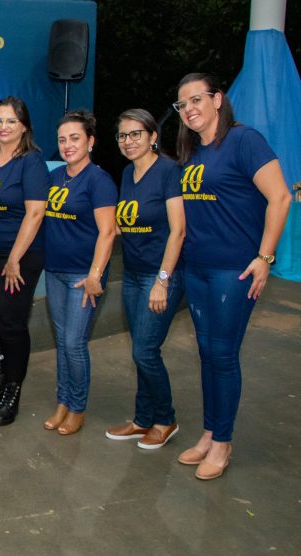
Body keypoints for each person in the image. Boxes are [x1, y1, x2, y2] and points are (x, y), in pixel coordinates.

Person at [173, 73, 290, 480]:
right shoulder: (192, 151)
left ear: (218, 99)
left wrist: (265, 257)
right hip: (198, 269)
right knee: (207, 355)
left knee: (222, 356)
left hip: (234, 271)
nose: (189, 108)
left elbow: (280, 196)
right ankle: (209, 433)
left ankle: (223, 443)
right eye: (182, 104)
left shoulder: (244, 140)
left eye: (197, 99)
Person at [104, 109, 185, 450]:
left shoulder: (168, 171)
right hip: (134, 275)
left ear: (153, 136)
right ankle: (142, 419)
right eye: (123, 136)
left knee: (145, 350)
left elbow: (178, 231)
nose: (128, 141)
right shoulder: (127, 173)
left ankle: (166, 419)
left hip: (160, 275)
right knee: (141, 352)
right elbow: (129, 222)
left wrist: (163, 280)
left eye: (136, 134)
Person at [0, 97, 48, 426]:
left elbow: (35, 212)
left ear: (24, 126)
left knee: (12, 324)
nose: (3, 126)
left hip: (18, 257)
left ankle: (12, 390)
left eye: (11, 121)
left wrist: (14, 259)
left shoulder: (32, 162)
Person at [42, 110, 117, 436]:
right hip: (55, 271)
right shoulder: (56, 177)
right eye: (62, 139)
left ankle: (77, 408)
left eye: (75, 138)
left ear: (90, 141)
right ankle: (62, 402)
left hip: (82, 277)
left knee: (74, 343)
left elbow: (108, 232)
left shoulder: (99, 181)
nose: (68, 145)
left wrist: (95, 275)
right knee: (62, 341)